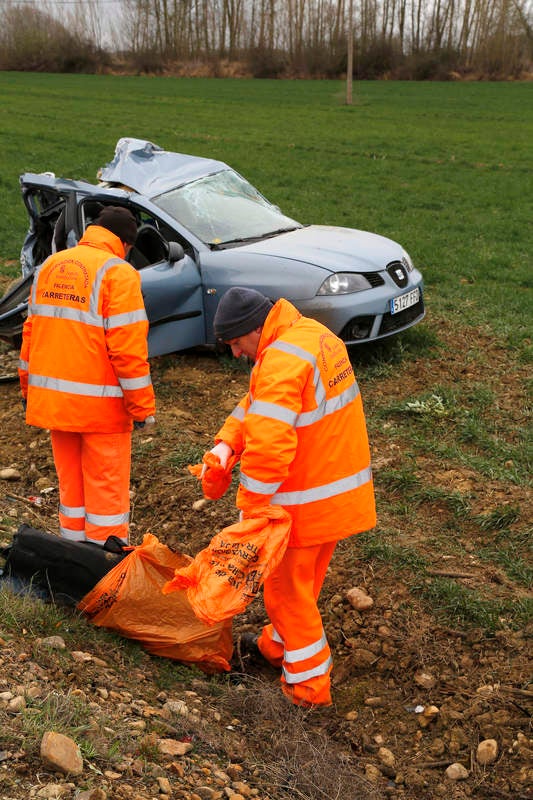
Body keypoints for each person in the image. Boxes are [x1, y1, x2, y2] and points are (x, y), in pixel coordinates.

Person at [203, 286, 376, 707]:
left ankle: (307, 693)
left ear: (255, 329)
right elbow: (258, 404)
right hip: (335, 497)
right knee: (303, 587)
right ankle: (276, 649)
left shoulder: (282, 359)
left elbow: (269, 445)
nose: (235, 353)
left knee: (285, 596)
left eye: (235, 342)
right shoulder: (310, 336)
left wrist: (253, 514)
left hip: (301, 505)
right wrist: (227, 443)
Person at [19, 206, 156, 547]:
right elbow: (127, 350)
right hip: (101, 411)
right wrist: (142, 409)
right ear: (125, 244)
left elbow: (30, 334)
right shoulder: (118, 273)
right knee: (106, 499)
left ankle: (72, 562)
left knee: (73, 494)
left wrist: (28, 389)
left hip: (54, 404)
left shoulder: (50, 266)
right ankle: (103, 573)